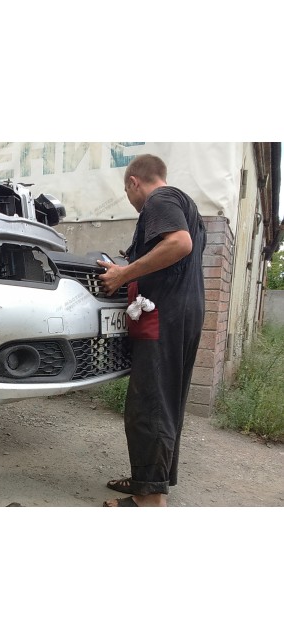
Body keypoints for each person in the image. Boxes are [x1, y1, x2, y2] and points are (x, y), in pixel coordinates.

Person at [97, 154, 207, 507]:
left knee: (150, 402)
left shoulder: (160, 199)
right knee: (166, 402)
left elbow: (179, 244)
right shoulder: (188, 207)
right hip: (184, 312)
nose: (130, 198)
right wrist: (131, 265)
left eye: (127, 191)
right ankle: (151, 481)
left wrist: (123, 274)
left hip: (165, 315)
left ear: (133, 182)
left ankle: (150, 499)